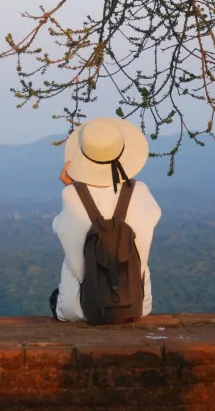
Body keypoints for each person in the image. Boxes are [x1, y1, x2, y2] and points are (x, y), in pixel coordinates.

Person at [49, 117, 162, 322]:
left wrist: (73, 190)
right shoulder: (141, 192)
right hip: (135, 305)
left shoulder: (72, 196)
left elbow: (61, 227)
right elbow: (152, 217)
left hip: (80, 308)